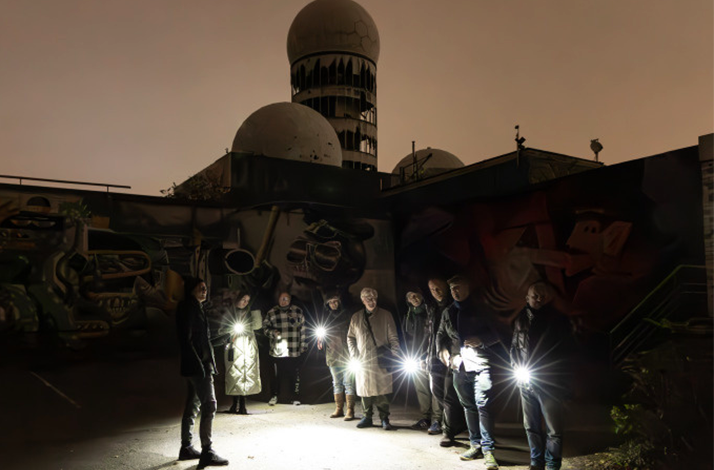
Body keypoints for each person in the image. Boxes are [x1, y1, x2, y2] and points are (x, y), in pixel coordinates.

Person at [436, 275, 501, 469]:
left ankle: (489, 450)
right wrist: (442, 349)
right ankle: (475, 445)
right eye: (452, 288)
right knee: (468, 406)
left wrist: (481, 340)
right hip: (459, 365)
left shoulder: (483, 308)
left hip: (482, 363)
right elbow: (440, 334)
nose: (455, 291)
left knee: (483, 404)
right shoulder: (448, 312)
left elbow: (501, 332)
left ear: (468, 288)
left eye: (458, 287)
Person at [510, 281, 574, 470]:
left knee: (554, 429)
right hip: (525, 381)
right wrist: (514, 366)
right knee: (531, 426)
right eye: (535, 295)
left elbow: (565, 352)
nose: (539, 298)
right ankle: (536, 462)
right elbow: (514, 346)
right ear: (527, 298)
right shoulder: (521, 318)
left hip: (549, 383)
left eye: (543, 295)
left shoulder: (558, 319)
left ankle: (553, 464)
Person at [176, 276, 229, 469]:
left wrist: (221, 339)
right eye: (201, 288)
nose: (205, 290)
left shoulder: (194, 307)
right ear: (191, 289)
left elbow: (200, 341)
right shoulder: (189, 308)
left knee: (193, 405)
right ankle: (207, 451)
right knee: (210, 405)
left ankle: (186, 447)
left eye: (206, 288)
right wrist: (199, 366)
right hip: (199, 367)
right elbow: (187, 340)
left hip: (196, 365)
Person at [347, 287, 401, 430]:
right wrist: (354, 354)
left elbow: (393, 337)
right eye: (368, 299)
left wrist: (394, 354)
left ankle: (384, 418)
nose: (372, 301)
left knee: (382, 390)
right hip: (363, 359)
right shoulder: (356, 317)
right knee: (365, 390)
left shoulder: (385, 315)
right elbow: (350, 337)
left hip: (381, 359)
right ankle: (367, 417)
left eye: (374, 298)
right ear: (363, 300)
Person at [426, 277, 467, 444]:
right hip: (435, 357)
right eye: (432, 289)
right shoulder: (433, 309)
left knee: (450, 395)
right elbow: (435, 335)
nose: (436, 292)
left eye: (439, 288)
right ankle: (455, 423)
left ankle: (448, 430)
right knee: (437, 393)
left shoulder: (453, 308)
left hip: (454, 359)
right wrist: (434, 352)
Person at [317, 291, 356, 420]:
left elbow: (353, 333)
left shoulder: (347, 315)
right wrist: (320, 340)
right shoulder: (325, 318)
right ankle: (339, 408)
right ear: (327, 304)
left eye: (335, 301)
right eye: (330, 302)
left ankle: (350, 410)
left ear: (339, 302)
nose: (333, 304)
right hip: (332, 354)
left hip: (346, 354)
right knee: (336, 383)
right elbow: (321, 334)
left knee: (348, 383)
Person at [221, 292, 262, 415]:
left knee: (246, 375)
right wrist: (230, 332)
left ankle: (243, 405)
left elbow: (257, 325)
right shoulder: (229, 313)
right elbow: (222, 330)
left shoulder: (250, 314)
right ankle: (234, 404)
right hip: (234, 347)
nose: (245, 302)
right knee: (234, 375)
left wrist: (256, 312)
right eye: (243, 299)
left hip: (248, 347)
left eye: (248, 300)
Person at [402, 289, 438, 431]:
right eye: (411, 296)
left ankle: (437, 419)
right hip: (415, 356)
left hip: (431, 355)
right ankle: (426, 417)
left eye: (416, 294)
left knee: (434, 388)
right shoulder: (410, 315)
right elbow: (408, 336)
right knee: (421, 388)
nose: (414, 298)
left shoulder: (431, 311)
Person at [263, 292, 306, 405]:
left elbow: (303, 329)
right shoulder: (272, 312)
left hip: (293, 349)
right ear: (278, 299)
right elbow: (265, 328)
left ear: (290, 300)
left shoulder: (297, 311)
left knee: (294, 374)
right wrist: (272, 333)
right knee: (277, 375)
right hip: (278, 349)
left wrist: (303, 345)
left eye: (286, 299)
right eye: (282, 299)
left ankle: (294, 396)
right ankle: (274, 395)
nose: (284, 301)